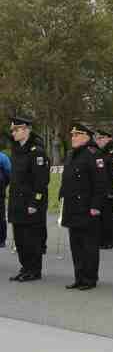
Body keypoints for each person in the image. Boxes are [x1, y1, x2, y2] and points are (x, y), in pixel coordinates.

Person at [60, 124, 109, 291]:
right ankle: (79, 277)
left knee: (89, 245)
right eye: (72, 134)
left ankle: (90, 278)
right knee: (76, 245)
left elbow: (101, 183)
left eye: (77, 134)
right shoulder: (71, 154)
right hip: (72, 207)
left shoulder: (94, 155)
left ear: (87, 136)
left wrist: (96, 206)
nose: (73, 137)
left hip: (87, 207)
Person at [8, 116, 50, 282]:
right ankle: (25, 267)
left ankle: (34, 269)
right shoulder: (17, 150)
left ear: (26, 130)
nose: (13, 133)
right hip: (17, 201)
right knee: (20, 238)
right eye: (12, 130)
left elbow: (41, 181)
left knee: (31, 238)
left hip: (31, 203)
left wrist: (35, 202)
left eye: (16, 130)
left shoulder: (36, 151)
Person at [94, 130, 113, 249]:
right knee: (99, 217)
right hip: (99, 191)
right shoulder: (99, 153)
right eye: (98, 138)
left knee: (108, 218)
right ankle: (101, 240)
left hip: (109, 191)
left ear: (109, 139)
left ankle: (109, 241)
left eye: (101, 138)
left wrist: (112, 191)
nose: (99, 140)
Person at [0, 148, 11, 248]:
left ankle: (2, 239)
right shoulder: (3, 157)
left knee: (1, 216)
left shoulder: (2, 157)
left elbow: (8, 173)